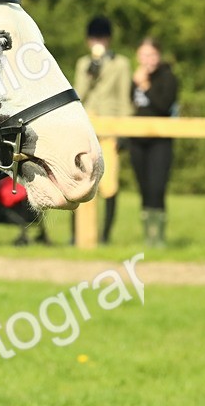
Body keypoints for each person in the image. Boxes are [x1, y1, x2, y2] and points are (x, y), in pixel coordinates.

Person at [73, 16, 133, 243]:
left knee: (110, 183)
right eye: (94, 38)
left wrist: (124, 131)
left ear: (108, 40)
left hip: (109, 129)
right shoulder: (82, 64)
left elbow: (124, 98)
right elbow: (78, 95)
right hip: (87, 128)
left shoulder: (121, 64)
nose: (97, 41)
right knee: (79, 179)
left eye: (101, 38)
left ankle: (106, 235)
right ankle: (76, 235)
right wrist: (90, 74)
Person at [130, 37, 180, 247]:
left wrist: (145, 86)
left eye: (151, 55)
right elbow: (130, 106)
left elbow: (163, 106)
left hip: (160, 140)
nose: (147, 60)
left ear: (158, 56)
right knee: (143, 188)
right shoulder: (133, 78)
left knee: (157, 187)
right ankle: (148, 237)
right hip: (137, 139)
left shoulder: (168, 78)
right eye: (143, 55)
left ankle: (158, 238)